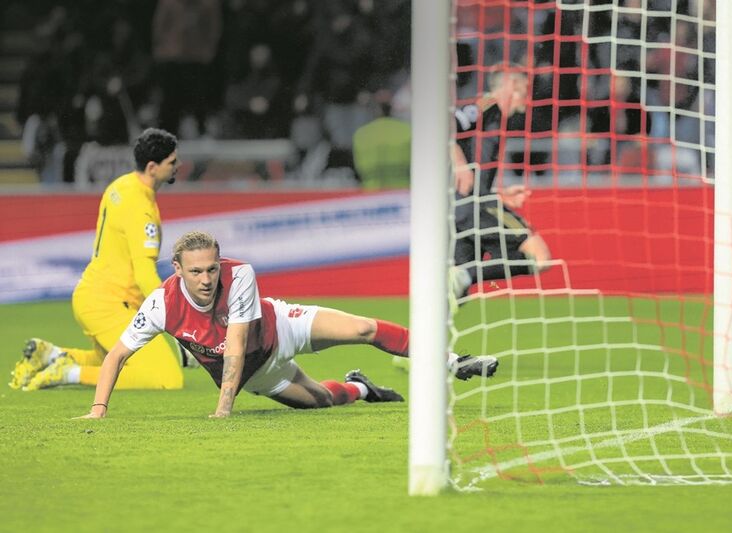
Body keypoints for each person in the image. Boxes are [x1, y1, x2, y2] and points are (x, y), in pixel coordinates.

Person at [74, 231, 498, 419]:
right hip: (258, 375)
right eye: (196, 272)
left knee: (364, 329)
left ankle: (453, 360)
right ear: (178, 269)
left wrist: (223, 409)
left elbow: (236, 343)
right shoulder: (161, 304)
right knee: (324, 403)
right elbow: (117, 355)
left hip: (281, 327)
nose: (206, 280)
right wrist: (98, 411)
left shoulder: (239, 274)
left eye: (211, 269)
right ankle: (362, 388)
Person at [9, 128, 185, 391]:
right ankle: (68, 373)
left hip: (94, 295)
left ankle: (52, 356)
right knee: (166, 379)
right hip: (111, 302)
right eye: (172, 162)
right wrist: (179, 324)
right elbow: (144, 273)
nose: (177, 166)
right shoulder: (141, 207)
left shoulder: (121, 186)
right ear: (152, 167)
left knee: (111, 359)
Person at [450, 66, 552, 304]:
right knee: (540, 257)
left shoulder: (495, 121)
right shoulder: (486, 106)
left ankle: (458, 282)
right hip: (474, 206)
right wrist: (459, 164)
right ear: (512, 86)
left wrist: (500, 194)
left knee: (455, 300)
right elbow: (446, 122)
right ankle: (463, 275)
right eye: (525, 90)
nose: (527, 99)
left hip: (463, 209)